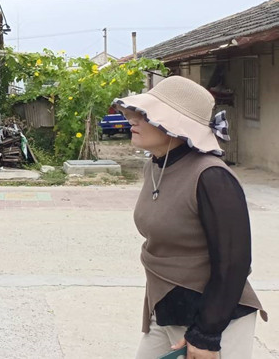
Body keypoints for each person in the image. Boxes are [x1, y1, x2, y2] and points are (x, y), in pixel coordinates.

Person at [113, 75, 267, 359]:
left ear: (173, 125)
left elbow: (234, 262)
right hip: (167, 310)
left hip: (214, 319)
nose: (133, 119)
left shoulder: (211, 176)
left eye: (145, 115)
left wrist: (206, 334)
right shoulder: (156, 166)